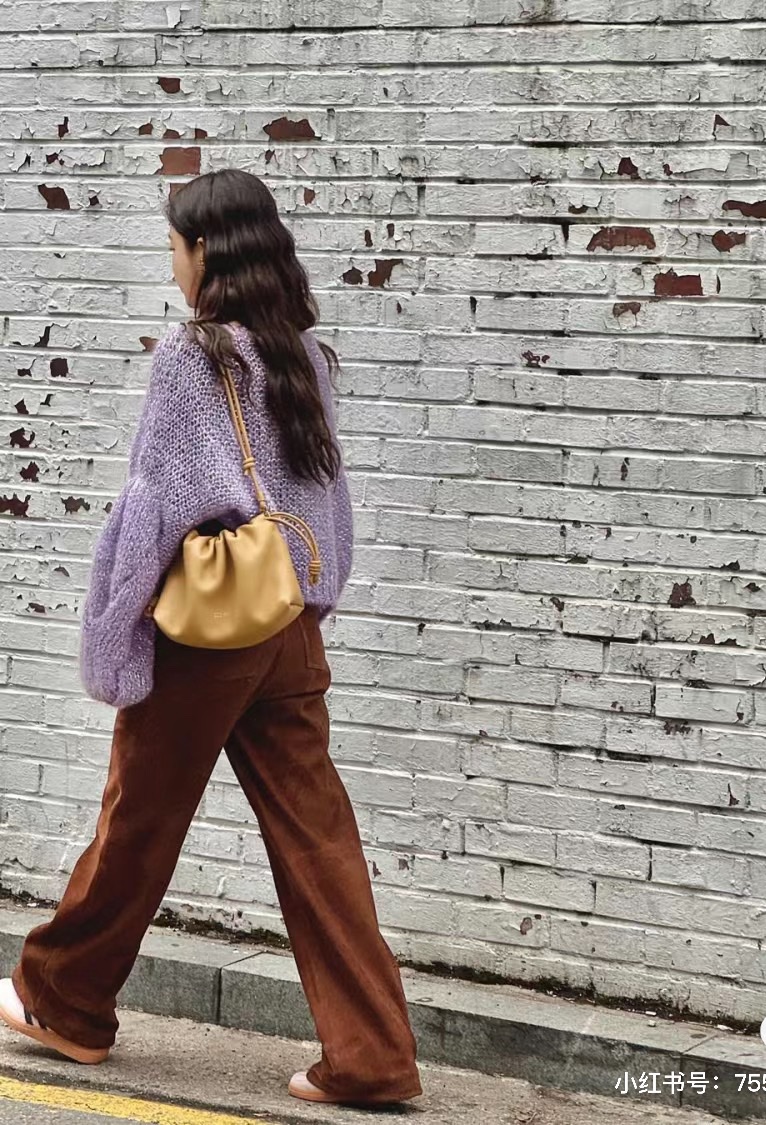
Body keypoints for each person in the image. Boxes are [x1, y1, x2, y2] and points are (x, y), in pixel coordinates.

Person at [0, 168, 423, 1107]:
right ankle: (374, 1055)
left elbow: (153, 509)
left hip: (211, 631)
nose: (171, 264)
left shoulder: (192, 357)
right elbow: (327, 500)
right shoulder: (304, 354)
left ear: (206, 252)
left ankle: (64, 1002)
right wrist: (312, 600)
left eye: (174, 248)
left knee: (137, 822)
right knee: (318, 840)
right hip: (290, 622)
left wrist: (115, 635)